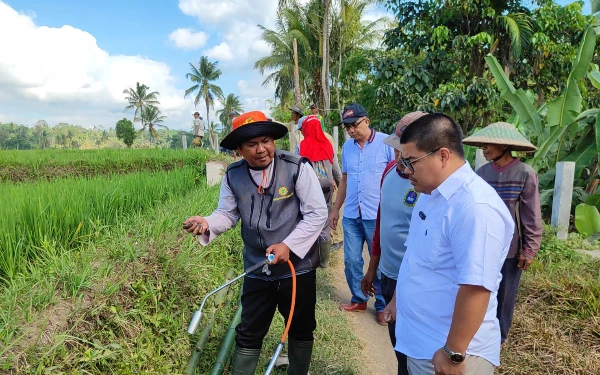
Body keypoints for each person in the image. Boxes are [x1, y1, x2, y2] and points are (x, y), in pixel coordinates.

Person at [183, 111, 328, 375]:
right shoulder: (233, 175)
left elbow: (317, 213)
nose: (261, 149)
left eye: (266, 141)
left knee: (301, 327)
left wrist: (289, 246)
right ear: (239, 149)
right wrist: (206, 222)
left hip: (297, 269)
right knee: (249, 330)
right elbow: (227, 213)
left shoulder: (296, 167)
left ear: (273, 140)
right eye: (252, 144)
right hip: (257, 267)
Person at [382, 113, 514, 375]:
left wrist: (453, 351)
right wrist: (397, 299)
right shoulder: (430, 194)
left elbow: (476, 286)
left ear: (443, 155)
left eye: (411, 161)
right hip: (420, 343)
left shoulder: (476, 208)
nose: (405, 170)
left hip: (449, 355)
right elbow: (415, 257)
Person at [462, 122, 542, 345]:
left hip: (511, 249)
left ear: (504, 146)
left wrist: (529, 250)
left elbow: (531, 216)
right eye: (483, 144)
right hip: (482, 245)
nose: (484, 149)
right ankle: (474, 333)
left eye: (489, 144)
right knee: (478, 291)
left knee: (505, 296)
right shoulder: (481, 173)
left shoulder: (525, 174)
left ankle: (499, 338)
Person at [360, 111, 427, 374]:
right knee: (398, 347)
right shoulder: (389, 172)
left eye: (407, 152)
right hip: (388, 275)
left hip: (415, 281)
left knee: (417, 351)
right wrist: (372, 269)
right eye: (398, 150)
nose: (400, 157)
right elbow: (381, 224)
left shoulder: (430, 186)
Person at [329, 103, 394, 325]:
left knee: (379, 261)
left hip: (376, 214)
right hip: (351, 214)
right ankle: (359, 298)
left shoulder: (386, 144)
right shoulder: (347, 148)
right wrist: (335, 209)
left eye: (354, 125)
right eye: (347, 127)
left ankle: (383, 304)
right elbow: (344, 179)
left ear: (366, 120)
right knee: (351, 260)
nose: (351, 130)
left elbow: (395, 178)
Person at [296, 115, 341, 267]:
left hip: (308, 190)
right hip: (327, 189)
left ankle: (311, 258)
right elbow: (336, 170)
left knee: (308, 220)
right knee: (325, 223)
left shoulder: (301, 147)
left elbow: (296, 169)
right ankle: (324, 262)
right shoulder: (328, 145)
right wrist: (341, 187)